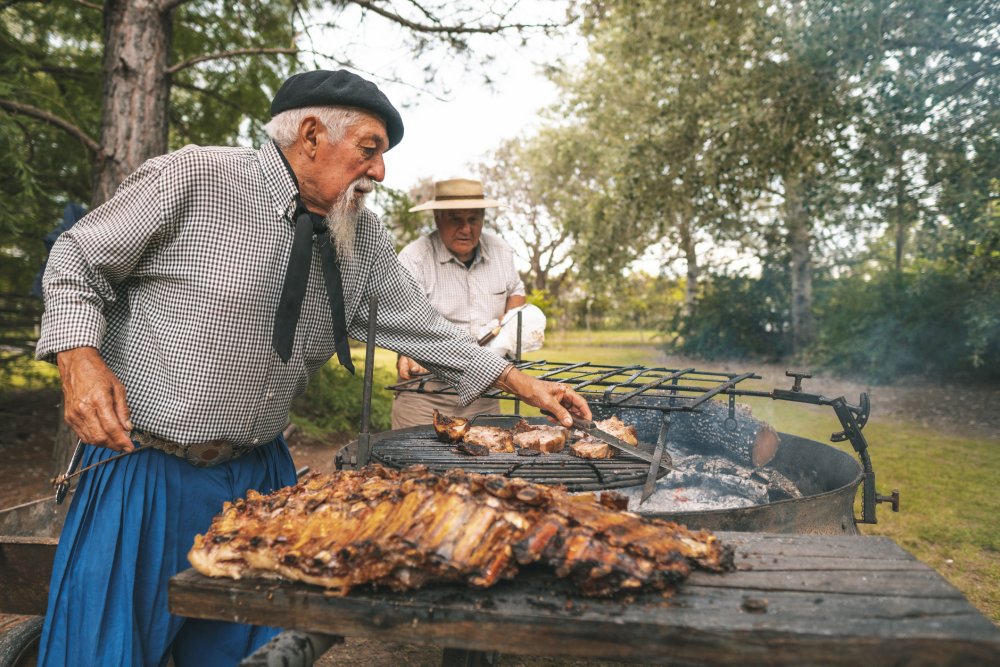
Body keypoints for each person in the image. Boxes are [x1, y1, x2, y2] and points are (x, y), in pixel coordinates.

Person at [34, 69, 590, 667]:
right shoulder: (196, 176)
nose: (380, 172)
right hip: (143, 473)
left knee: (261, 655)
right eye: (370, 150)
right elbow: (76, 257)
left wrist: (520, 382)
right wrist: (79, 357)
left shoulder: (361, 236)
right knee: (101, 655)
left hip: (258, 478)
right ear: (311, 135)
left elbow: (423, 326)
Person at [391, 178, 526, 428]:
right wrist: (405, 355)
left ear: (483, 218)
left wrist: (506, 325)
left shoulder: (501, 251)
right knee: (413, 466)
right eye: (455, 219)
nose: (466, 229)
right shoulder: (414, 259)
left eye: (473, 219)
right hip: (424, 394)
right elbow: (400, 319)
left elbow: (516, 293)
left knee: (489, 461)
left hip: (485, 391)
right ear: (437, 218)